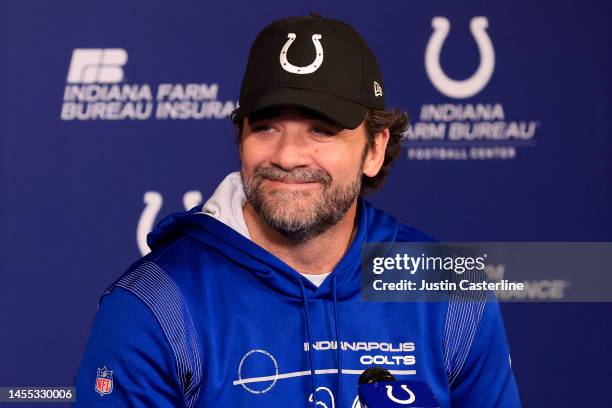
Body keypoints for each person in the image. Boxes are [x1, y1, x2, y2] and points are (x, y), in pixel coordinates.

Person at [75, 14, 520, 407]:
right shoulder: (154, 307)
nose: (287, 156)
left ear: (375, 150)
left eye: (321, 130)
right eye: (265, 126)